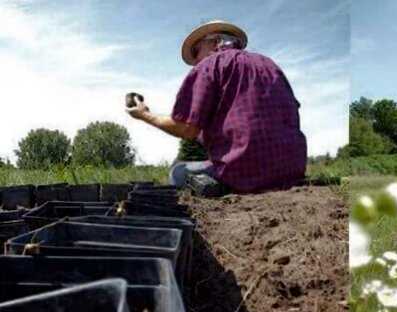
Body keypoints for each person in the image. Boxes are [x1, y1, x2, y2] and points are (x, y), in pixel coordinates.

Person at [126, 20, 307, 194]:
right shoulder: (269, 65)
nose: (196, 61)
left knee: (177, 171)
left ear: (215, 42)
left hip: (242, 172)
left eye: (196, 51)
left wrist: (145, 115)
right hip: (291, 170)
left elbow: (186, 128)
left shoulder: (209, 65)